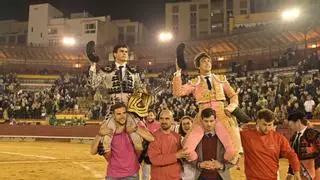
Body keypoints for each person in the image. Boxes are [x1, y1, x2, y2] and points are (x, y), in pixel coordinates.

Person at [173, 52, 240, 163]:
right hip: (202, 117)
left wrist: (230, 108)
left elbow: (233, 95)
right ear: (198, 66)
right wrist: (178, 72)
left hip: (221, 115)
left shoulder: (221, 79)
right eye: (203, 61)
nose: (207, 63)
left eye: (208, 60)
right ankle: (201, 165)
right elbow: (178, 92)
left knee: (233, 151)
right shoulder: (195, 82)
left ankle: (219, 166)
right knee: (186, 150)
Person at [87, 43, 146, 155]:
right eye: (121, 51)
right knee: (105, 142)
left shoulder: (134, 72)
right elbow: (93, 84)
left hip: (130, 110)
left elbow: (140, 89)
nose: (124, 53)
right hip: (112, 110)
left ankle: (134, 165)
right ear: (115, 54)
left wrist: (142, 101)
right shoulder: (106, 70)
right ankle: (114, 167)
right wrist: (93, 65)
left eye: (126, 52)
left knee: (139, 141)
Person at [90, 103, 154, 180]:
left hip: (132, 174)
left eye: (124, 113)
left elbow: (152, 138)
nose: (122, 116)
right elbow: (93, 151)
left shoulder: (133, 127)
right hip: (113, 174)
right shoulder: (108, 130)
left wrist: (136, 129)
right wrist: (99, 134)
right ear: (113, 116)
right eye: (118, 114)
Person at [240, 109, 301, 180]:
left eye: (270, 125)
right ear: (258, 122)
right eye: (264, 124)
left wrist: (296, 172)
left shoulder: (279, 138)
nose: (267, 128)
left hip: (272, 177)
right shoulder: (246, 135)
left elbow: (291, 155)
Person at [148, 109, 188, 180]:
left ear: (172, 120)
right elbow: (155, 160)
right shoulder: (153, 137)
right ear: (158, 120)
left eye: (167, 118)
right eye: (161, 118)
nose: (164, 121)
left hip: (176, 177)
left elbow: (181, 156)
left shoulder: (177, 136)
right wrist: (176, 156)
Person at [194, 108, 234, 180]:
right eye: (206, 121)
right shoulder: (196, 137)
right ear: (201, 121)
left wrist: (222, 166)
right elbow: (188, 157)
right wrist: (199, 164)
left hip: (221, 177)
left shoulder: (225, 136)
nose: (209, 124)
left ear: (215, 121)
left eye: (211, 121)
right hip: (201, 176)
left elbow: (235, 157)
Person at [286, 111, 320, 179]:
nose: (291, 127)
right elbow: (293, 155)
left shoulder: (313, 133)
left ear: (298, 122)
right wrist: (290, 172)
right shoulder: (294, 137)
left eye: (291, 124)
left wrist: (317, 166)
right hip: (301, 171)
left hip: (315, 169)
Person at [138, 110, 161, 180]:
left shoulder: (158, 124)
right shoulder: (142, 124)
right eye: (148, 115)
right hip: (144, 152)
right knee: (145, 173)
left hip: (155, 152)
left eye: (151, 115)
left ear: (154, 116)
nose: (149, 117)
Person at [178, 116, 196, 180]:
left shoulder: (198, 137)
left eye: (188, 123)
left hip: (199, 171)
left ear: (192, 124)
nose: (186, 126)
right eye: (184, 124)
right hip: (185, 173)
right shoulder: (179, 140)